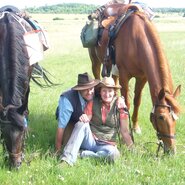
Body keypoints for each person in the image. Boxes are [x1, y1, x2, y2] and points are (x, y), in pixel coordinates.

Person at [60, 77, 133, 166]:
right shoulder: (93, 102)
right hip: (91, 140)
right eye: (104, 91)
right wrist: (84, 117)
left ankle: (83, 154)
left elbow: (124, 131)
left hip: (107, 145)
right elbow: (87, 119)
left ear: (114, 92)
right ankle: (67, 160)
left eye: (110, 91)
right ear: (100, 91)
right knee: (81, 124)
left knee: (114, 155)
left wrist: (132, 149)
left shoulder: (120, 106)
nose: (107, 94)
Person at [55, 72, 100, 154]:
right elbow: (61, 127)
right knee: (68, 145)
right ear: (79, 89)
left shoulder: (96, 92)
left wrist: (119, 100)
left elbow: (109, 94)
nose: (89, 92)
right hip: (72, 121)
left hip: (90, 122)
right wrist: (57, 151)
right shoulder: (67, 100)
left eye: (91, 88)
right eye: (85, 89)